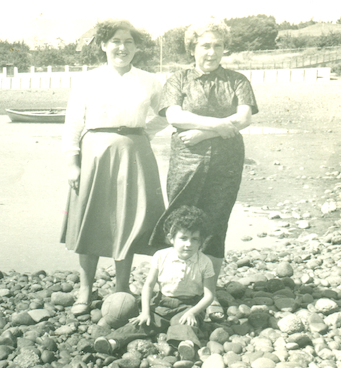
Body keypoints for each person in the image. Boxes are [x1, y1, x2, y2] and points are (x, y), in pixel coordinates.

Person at [149, 17, 258, 321]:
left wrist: (205, 133)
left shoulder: (237, 80)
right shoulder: (178, 79)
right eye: (205, 45)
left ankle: (206, 294)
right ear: (192, 48)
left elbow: (244, 118)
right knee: (178, 221)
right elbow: (174, 115)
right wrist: (219, 125)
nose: (211, 52)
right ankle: (171, 289)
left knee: (216, 223)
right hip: (186, 160)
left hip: (226, 161)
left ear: (225, 48)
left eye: (218, 46)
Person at [61, 19, 168, 315]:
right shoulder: (87, 80)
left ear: (137, 47)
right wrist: (72, 162)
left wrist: (144, 132)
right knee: (90, 219)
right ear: (103, 45)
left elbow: (164, 114)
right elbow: (73, 123)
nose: (122, 48)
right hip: (94, 152)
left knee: (128, 220)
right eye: (116, 42)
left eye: (129, 42)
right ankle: (85, 289)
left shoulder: (149, 80)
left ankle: (121, 288)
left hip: (135, 152)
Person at [94, 206, 215, 360]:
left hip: (189, 305)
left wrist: (193, 312)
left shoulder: (204, 262)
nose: (188, 244)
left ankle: (186, 345)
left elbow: (209, 295)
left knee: (183, 323)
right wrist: (145, 311)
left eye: (194, 239)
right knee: (144, 322)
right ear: (171, 238)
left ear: (201, 242)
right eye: (183, 238)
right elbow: (149, 286)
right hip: (161, 303)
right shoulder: (161, 256)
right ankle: (112, 342)